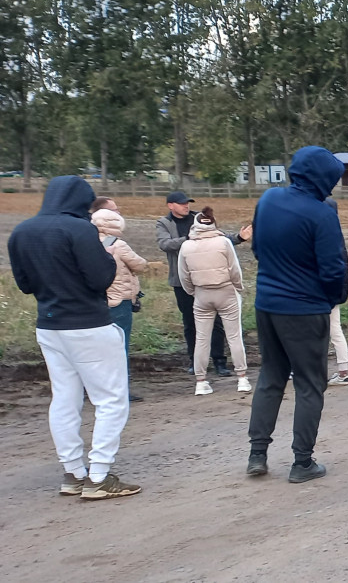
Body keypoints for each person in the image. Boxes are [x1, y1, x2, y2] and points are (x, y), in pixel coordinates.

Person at [8, 176, 141, 499]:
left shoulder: (22, 231)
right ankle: (99, 475)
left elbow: (24, 284)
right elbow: (100, 279)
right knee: (110, 399)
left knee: (65, 398)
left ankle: (73, 473)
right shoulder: (80, 230)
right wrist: (109, 259)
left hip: (50, 325)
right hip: (89, 323)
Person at [246, 146, 348, 484]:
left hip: (267, 304)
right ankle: (302, 462)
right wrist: (333, 299)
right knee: (309, 384)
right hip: (305, 309)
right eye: (331, 179)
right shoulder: (321, 214)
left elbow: (258, 248)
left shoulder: (268, 200)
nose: (332, 187)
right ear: (321, 178)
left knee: (270, 378)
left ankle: (257, 455)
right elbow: (334, 269)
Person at [156, 191, 251, 377]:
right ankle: (196, 362)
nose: (186, 206)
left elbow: (221, 238)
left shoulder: (198, 218)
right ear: (170, 205)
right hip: (181, 281)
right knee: (190, 323)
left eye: (187, 203)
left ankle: (219, 361)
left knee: (216, 323)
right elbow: (164, 244)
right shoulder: (164, 223)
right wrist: (190, 240)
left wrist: (239, 238)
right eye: (182, 203)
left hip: (207, 282)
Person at [177, 207, 250, 396]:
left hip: (202, 294)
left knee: (202, 338)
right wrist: (237, 287)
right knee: (234, 336)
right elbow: (235, 269)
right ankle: (242, 378)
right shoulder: (223, 242)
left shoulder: (186, 246)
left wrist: (194, 291)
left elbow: (183, 275)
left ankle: (200, 381)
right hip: (226, 291)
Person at [91, 207, 149, 402]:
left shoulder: (88, 243)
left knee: (98, 347)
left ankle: (97, 388)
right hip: (120, 301)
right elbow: (140, 265)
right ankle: (120, 389)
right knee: (119, 346)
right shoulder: (116, 243)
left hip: (97, 302)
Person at [324, 198, 348, 386]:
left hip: (319, 291)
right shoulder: (336, 234)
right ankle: (343, 372)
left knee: (308, 331)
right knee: (335, 329)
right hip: (335, 288)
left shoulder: (321, 235)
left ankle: (303, 370)